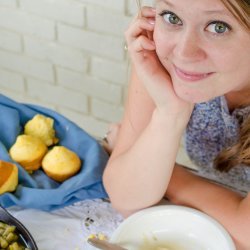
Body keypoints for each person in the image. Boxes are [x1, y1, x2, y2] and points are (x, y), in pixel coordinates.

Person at [102, 0, 250, 249]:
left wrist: (168, 175)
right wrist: (170, 113)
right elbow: (127, 198)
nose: (183, 53)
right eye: (172, 18)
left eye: (219, 27)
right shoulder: (162, 60)